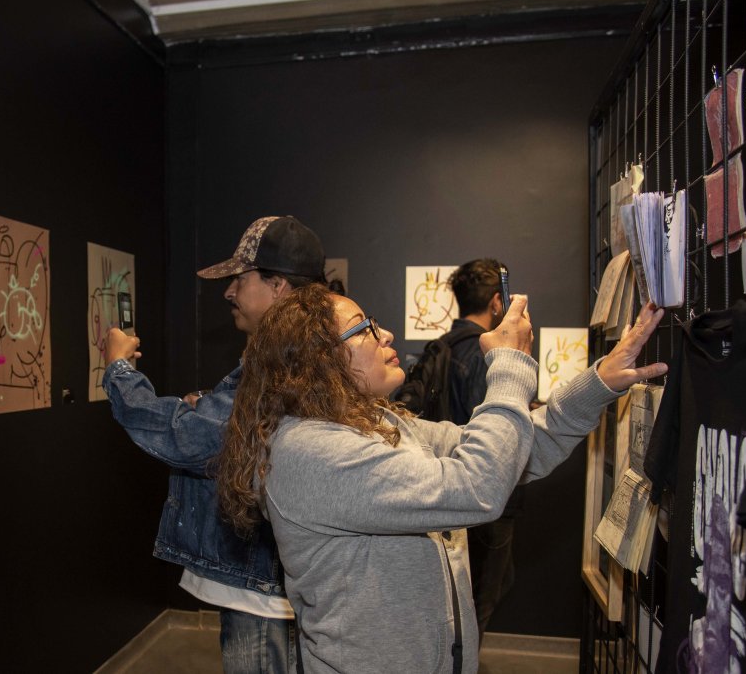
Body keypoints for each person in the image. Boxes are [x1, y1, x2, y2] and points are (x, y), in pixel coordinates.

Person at [216, 284, 666, 673]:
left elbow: (515, 451)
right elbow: (477, 487)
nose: (385, 333)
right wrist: (508, 366)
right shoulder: (311, 452)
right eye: (364, 328)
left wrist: (600, 382)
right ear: (317, 361)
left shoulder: (379, 422)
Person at [102, 215, 326, 674]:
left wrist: (119, 371)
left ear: (278, 285)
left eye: (240, 280)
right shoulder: (317, 353)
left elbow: (188, 438)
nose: (229, 292)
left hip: (261, 591)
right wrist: (215, 406)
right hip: (288, 580)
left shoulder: (278, 366)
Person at [446, 258, 523, 639]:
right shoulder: (482, 354)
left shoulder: (443, 346)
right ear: (497, 302)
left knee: (474, 592)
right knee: (480, 598)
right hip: (487, 498)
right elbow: (492, 430)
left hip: (451, 490)